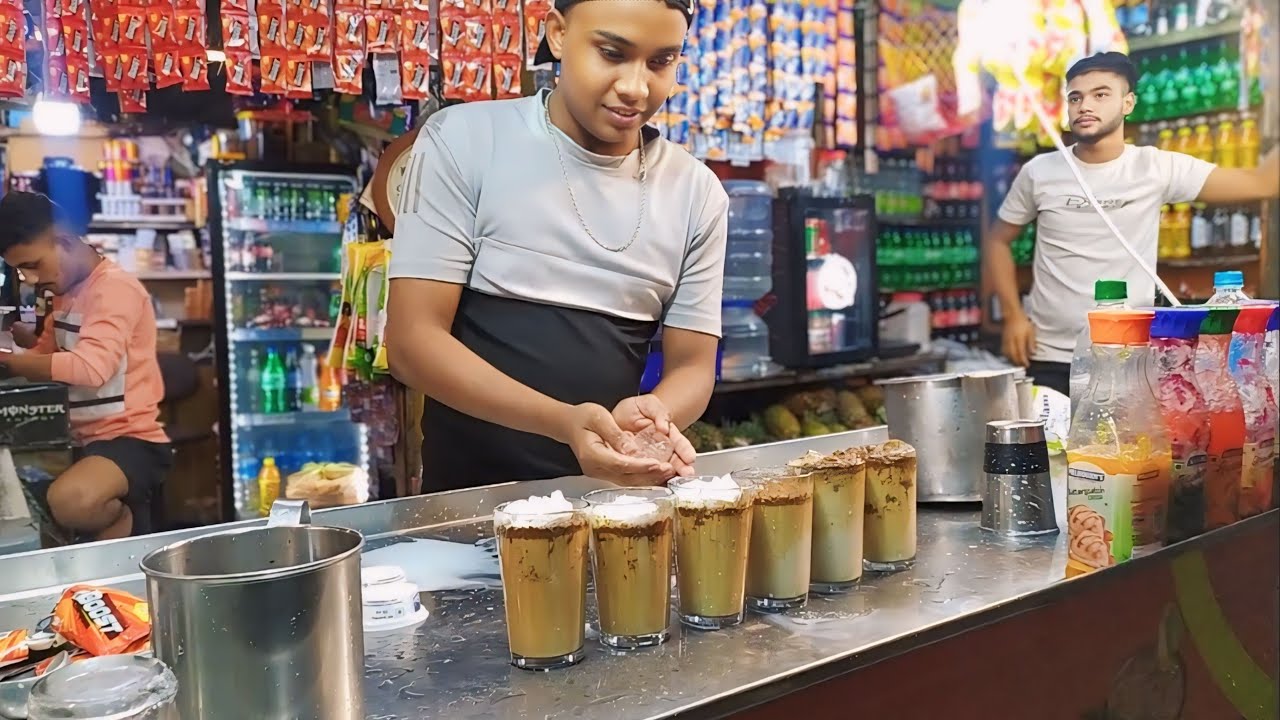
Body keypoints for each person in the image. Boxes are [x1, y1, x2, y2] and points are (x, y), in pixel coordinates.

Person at [386, 0, 725, 491]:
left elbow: (694, 364)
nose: (635, 87)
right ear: (558, 35)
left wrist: (655, 416)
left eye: (660, 62)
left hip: (616, 514)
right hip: (468, 513)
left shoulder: (696, 191)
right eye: (611, 53)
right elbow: (412, 343)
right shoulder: (465, 141)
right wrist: (564, 423)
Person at [985, 51, 1280, 395]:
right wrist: (1013, 316)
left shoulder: (1155, 167)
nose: (1084, 106)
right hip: (1049, 354)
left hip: (1128, 355)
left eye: (1101, 94)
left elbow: (1262, 183)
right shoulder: (1039, 172)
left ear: (1128, 103)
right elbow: (997, 240)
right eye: (1075, 97)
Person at [0, 192, 172, 539]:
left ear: (63, 241)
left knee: (72, 501)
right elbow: (48, 356)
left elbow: (92, 369)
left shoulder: (114, 289)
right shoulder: (61, 291)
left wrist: (9, 361)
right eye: (20, 270)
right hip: (78, 435)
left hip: (130, 439)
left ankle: (123, 521)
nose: (30, 279)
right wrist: (24, 345)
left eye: (32, 265)